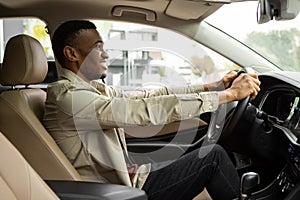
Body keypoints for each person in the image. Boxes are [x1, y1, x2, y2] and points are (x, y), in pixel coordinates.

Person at [43, 20, 261, 200]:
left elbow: (148, 96)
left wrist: (211, 87)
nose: (106, 54)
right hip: (117, 193)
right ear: (72, 54)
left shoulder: (92, 90)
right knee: (213, 157)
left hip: (131, 178)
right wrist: (228, 96)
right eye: (97, 47)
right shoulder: (70, 99)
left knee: (194, 150)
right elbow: (143, 110)